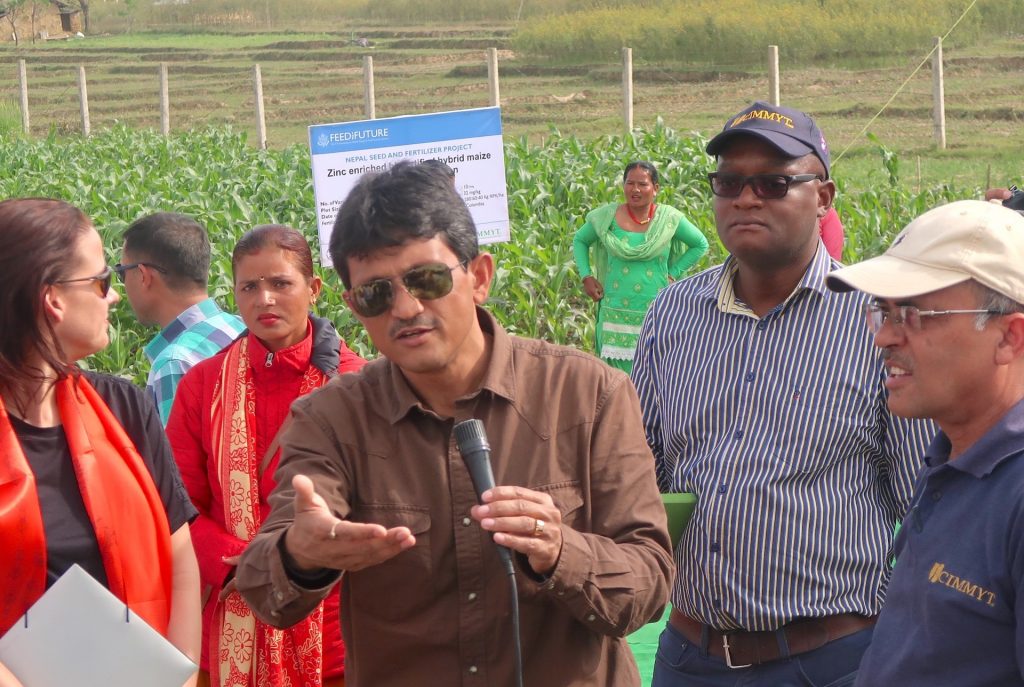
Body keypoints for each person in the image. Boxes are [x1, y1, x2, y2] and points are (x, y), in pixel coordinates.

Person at [234, 161, 674, 687]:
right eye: (376, 294)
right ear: (352, 305)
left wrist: (561, 551)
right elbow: (265, 591)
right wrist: (300, 555)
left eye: (427, 279)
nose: (405, 307)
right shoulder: (330, 418)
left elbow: (648, 583)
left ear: (480, 276)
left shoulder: (589, 395)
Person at [630, 101, 934, 686]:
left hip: (832, 660)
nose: (747, 198)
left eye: (774, 182)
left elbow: (921, 504)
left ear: (823, 196)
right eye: (729, 182)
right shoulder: (672, 313)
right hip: (690, 654)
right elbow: (643, 472)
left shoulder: (877, 322)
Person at [0, 198, 200, 686]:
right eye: (102, 281)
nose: (113, 297)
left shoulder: (124, 407)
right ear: (53, 298)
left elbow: (180, 554)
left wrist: (181, 672)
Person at [825, 200, 1024, 686]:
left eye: (914, 313)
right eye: (883, 312)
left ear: (1010, 338)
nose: (885, 338)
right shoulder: (951, 459)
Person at [166, 225, 365, 687]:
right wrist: (245, 562)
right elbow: (178, 504)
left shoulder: (356, 385)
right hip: (231, 613)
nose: (264, 300)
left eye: (280, 283)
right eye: (249, 287)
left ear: (313, 290)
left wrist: (295, 563)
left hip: (333, 632)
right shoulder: (204, 386)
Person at [573, 161, 708, 372]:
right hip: (615, 312)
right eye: (630, 183)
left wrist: (673, 274)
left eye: (643, 184)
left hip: (655, 309)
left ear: (655, 189)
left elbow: (700, 244)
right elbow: (580, 240)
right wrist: (586, 276)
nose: (635, 190)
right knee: (615, 380)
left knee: (654, 372)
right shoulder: (607, 217)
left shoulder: (668, 219)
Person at [119, 212, 245, 426]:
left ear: (143, 276)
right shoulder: (241, 326)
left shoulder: (174, 364)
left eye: (122, 273)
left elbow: (178, 458)